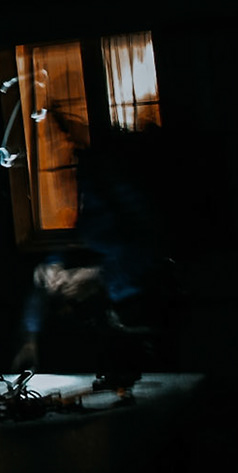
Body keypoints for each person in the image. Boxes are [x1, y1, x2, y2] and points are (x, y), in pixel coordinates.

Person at [12, 122, 174, 381]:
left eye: (59, 140)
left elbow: (155, 247)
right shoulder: (90, 177)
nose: (58, 155)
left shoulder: (114, 174)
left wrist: (99, 276)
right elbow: (80, 240)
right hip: (113, 327)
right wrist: (53, 266)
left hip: (147, 326)